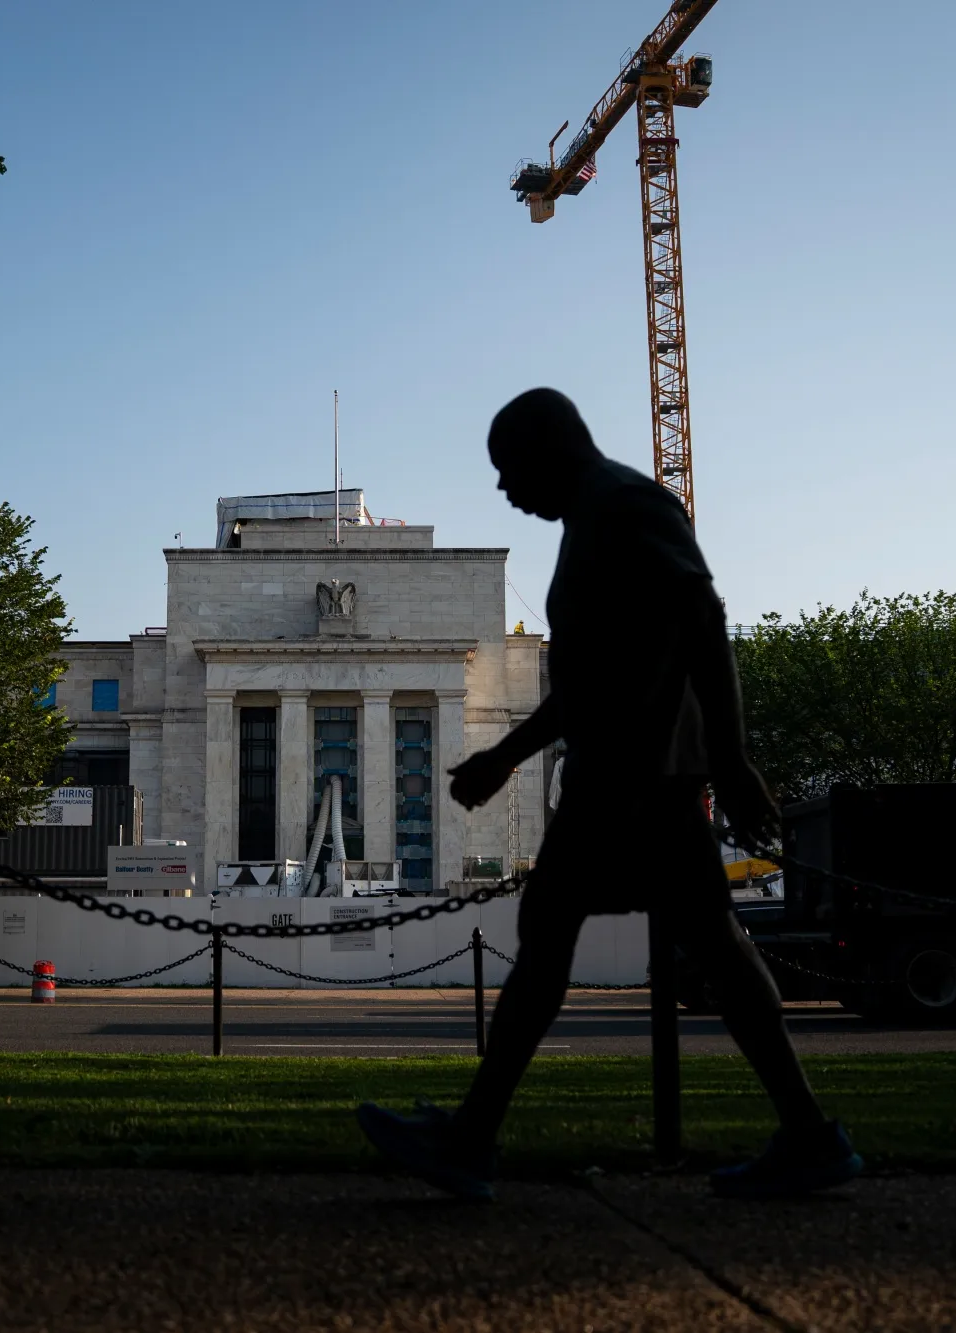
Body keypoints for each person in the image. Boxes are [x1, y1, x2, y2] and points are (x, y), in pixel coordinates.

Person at [357, 388, 860, 1201]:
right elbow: (585, 684)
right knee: (700, 948)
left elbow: (704, 617)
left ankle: (472, 1136)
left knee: (566, 938)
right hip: (629, 774)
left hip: (638, 778)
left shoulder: (625, 505)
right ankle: (808, 1133)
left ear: (549, 448)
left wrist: (730, 760)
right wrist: (502, 757)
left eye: (506, 469)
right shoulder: (593, 521)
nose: (502, 490)